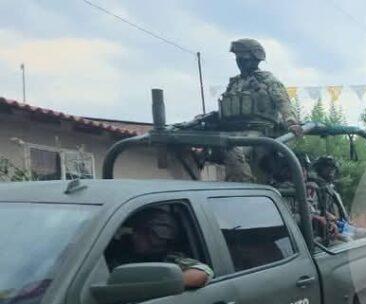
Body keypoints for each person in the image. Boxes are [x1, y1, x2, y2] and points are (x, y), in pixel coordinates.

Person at [177, 39, 302, 182]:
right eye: (237, 58)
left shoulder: (268, 80)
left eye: (243, 58)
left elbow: (284, 103)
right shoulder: (235, 82)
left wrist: (291, 122)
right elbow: (229, 106)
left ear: (255, 59)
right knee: (200, 147)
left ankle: (244, 186)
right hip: (231, 130)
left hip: (259, 132)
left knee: (233, 148)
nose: (240, 62)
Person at [111, 208, 213, 289]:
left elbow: (202, 272)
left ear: (156, 239)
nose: (134, 236)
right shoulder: (119, 249)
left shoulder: (169, 259)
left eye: (140, 233)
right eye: (134, 231)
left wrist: (154, 286)